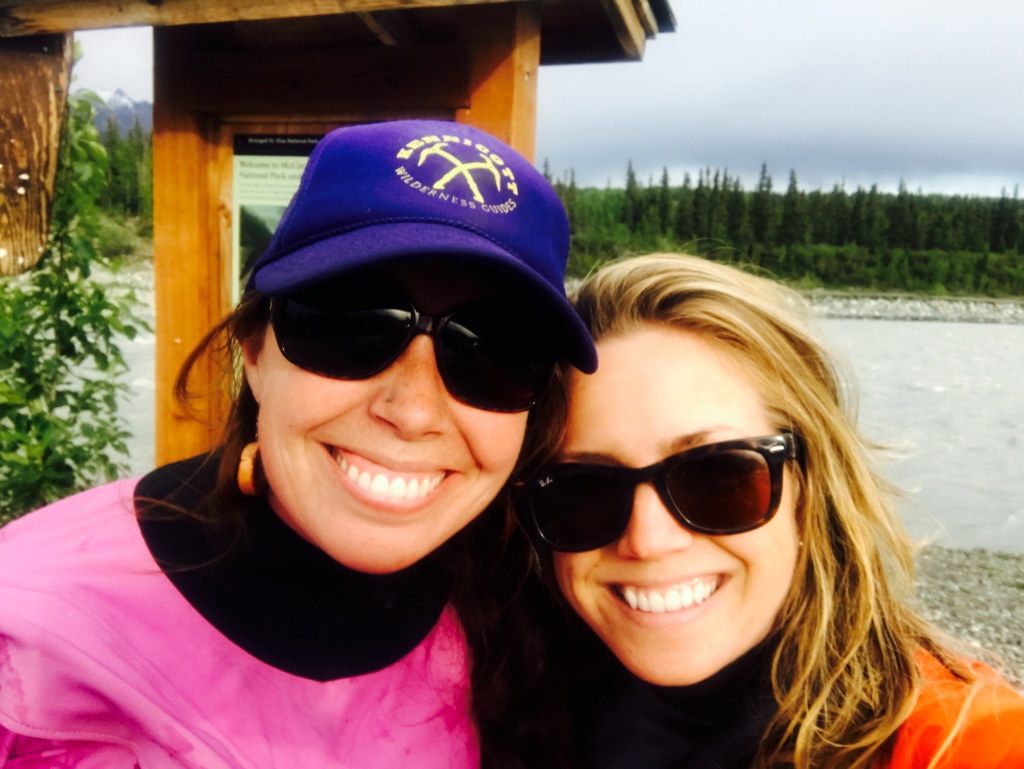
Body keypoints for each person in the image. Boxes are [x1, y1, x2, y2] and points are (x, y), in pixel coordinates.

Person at [0, 119, 596, 768]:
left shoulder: (528, 614)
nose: (414, 410)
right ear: (254, 349)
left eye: (496, 354)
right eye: (349, 325)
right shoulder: (29, 634)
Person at [517, 254, 1024, 768]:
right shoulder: (496, 713)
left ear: (810, 487)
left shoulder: (971, 744)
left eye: (716, 477)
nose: (648, 540)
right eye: (582, 490)